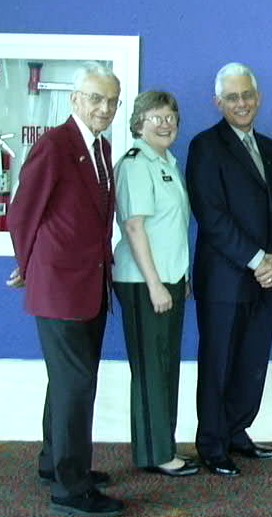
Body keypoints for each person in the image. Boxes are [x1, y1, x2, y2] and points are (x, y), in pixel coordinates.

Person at [8, 61, 125, 516]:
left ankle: (53, 464)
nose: (104, 108)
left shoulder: (100, 147)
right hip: (60, 287)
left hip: (90, 285)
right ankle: (71, 492)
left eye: (112, 101)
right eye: (95, 98)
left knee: (68, 383)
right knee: (76, 387)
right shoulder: (55, 145)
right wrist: (28, 264)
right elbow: (22, 213)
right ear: (75, 99)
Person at [186, 62, 272, 477]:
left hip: (270, 277)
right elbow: (211, 216)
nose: (242, 103)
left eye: (247, 94)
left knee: (252, 361)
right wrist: (257, 260)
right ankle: (212, 444)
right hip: (226, 278)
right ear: (219, 103)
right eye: (232, 97)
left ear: (258, 96)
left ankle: (237, 431)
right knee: (218, 362)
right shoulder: (205, 146)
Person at [112, 91, 198, 477]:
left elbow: (171, 229)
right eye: (156, 117)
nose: (166, 124)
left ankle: (161, 448)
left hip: (169, 279)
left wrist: (181, 277)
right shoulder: (135, 164)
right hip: (144, 282)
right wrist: (155, 285)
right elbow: (134, 227)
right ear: (139, 122)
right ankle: (157, 453)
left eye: (171, 117)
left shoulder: (166, 161)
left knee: (165, 366)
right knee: (151, 369)